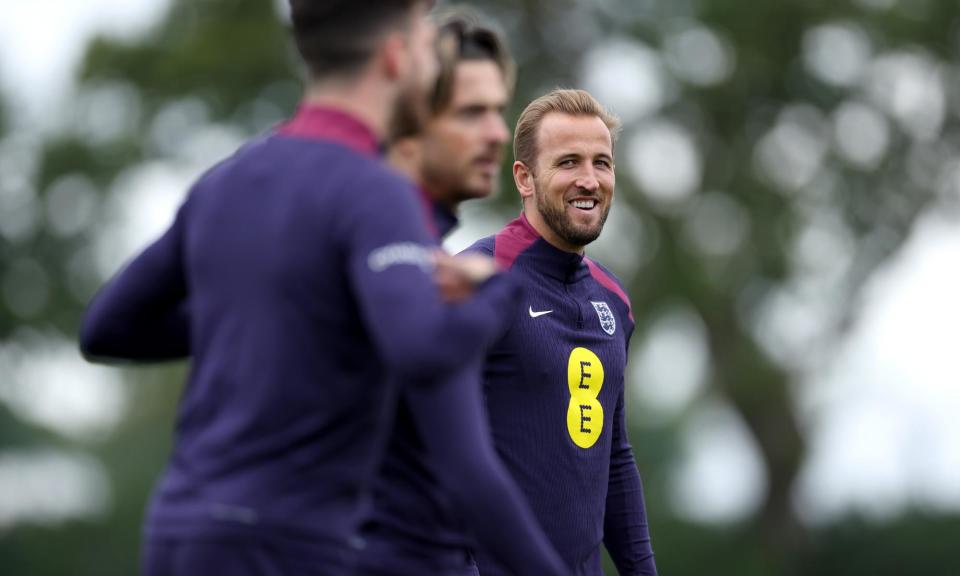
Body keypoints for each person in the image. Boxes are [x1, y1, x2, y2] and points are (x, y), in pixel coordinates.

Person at [79, 1, 524, 574]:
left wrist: (277, 313)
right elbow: (420, 348)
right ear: (395, 56)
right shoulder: (374, 189)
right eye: (422, 39)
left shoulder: (230, 177)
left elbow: (107, 327)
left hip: (178, 531)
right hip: (287, 543)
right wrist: (495, 295)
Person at [355, 10, 567, 576]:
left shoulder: (388, 242)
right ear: (407, 129)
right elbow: (471, 474)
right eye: (473, 113)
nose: (498, 132)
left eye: (497, 110)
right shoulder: (407, 253)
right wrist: (496, 297)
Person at [463, 89, 658, 576]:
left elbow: (613, 460)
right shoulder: (478, 280)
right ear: (524, 179)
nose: (589, 180)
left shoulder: (614, 300)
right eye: (568, 162)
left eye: (602, 163)